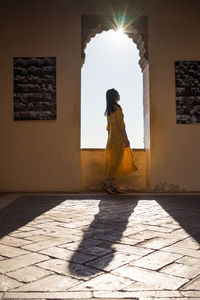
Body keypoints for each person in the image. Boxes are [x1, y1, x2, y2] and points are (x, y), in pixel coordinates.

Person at [101, 88, 137, 194]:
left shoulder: (108, 110)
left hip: (111, 138)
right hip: (118, 138)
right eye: (118, 93)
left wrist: (110, 139)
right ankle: (107, 183)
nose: (119, 95)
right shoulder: (117, 108)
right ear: (114, 96)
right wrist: (126, 139)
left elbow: (108, 128)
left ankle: (111, 184)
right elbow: (121, 125)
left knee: (115, 161)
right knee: (117, 162)